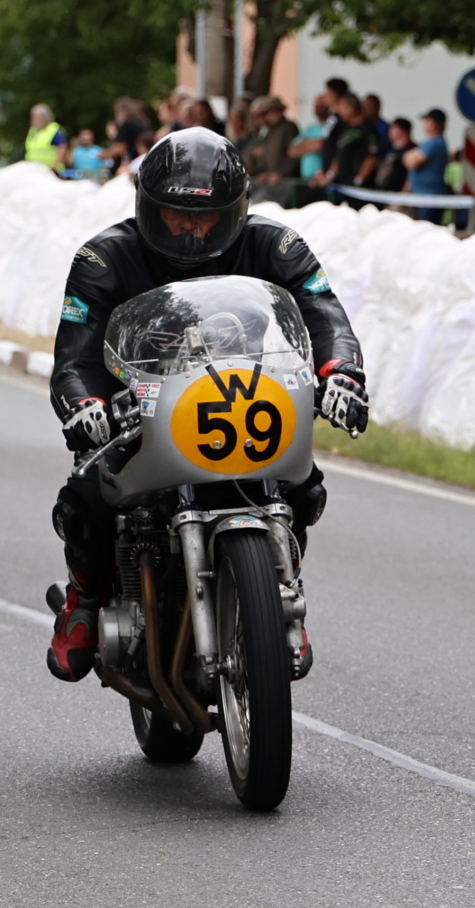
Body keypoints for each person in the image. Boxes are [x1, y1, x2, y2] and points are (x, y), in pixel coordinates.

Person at [43, 128, 366, 682]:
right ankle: (84, 598)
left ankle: (279, 587)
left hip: (239, 402)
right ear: (149, 207)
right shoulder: (103, 259)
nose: (193, 229)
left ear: (236, 209)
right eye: (177, 215)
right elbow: (75, 354)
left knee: (304, 488)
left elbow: (325, 314)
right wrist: (84, 403)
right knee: (88, 495)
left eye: (209, 216)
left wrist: (341, 374)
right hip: (141, 412)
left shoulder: (276, 246)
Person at [240, 95, 299, 201]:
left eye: (274, 111)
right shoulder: (269, 131)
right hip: (269, 180)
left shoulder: (289, 127)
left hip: (284, 181)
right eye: (267, 113)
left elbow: (293, 155)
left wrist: (281, 173)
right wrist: (264, 174)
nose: (271, 115)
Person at [405, 109, 453, 219]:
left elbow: (413, 162)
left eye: (427, 121)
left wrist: (409, 156)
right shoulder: (431, 143)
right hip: (422, 196)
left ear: (435, 124)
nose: (424, 124)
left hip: (429, 198)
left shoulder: (435, 143)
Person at [23, 104, 66, 171]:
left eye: (36, 117)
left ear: (44, 117)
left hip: (50, 171)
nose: (33, 120)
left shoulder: (54, 129)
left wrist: (55, 166)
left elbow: (62, 148)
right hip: (33, 170)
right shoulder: (33, 131)